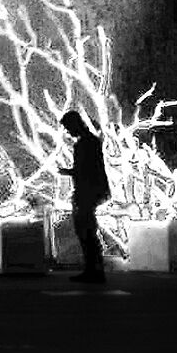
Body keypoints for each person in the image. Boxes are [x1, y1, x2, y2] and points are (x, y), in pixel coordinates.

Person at [60, 109, 110, 283]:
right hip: (90, 191)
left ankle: (94, 270)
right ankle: (93, 269)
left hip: (87, 192)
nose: (68, 132)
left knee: (86, 231)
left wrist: (69, 172)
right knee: (87, 230)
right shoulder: (90, 141)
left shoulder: (85, 143)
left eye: (68, 127)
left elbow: (86, 170)